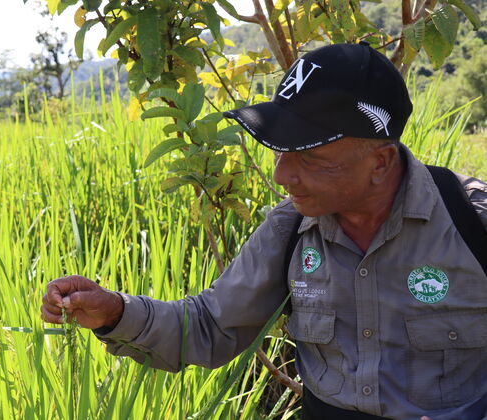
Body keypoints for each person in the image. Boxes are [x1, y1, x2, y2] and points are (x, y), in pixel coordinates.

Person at [41, 43, 487, 420]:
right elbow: (211, 326)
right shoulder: (289, 230)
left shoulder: (471, 220)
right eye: (279, 151)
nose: (281, 175)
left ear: (381, 163)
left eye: (308, 158)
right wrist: (114, 312)